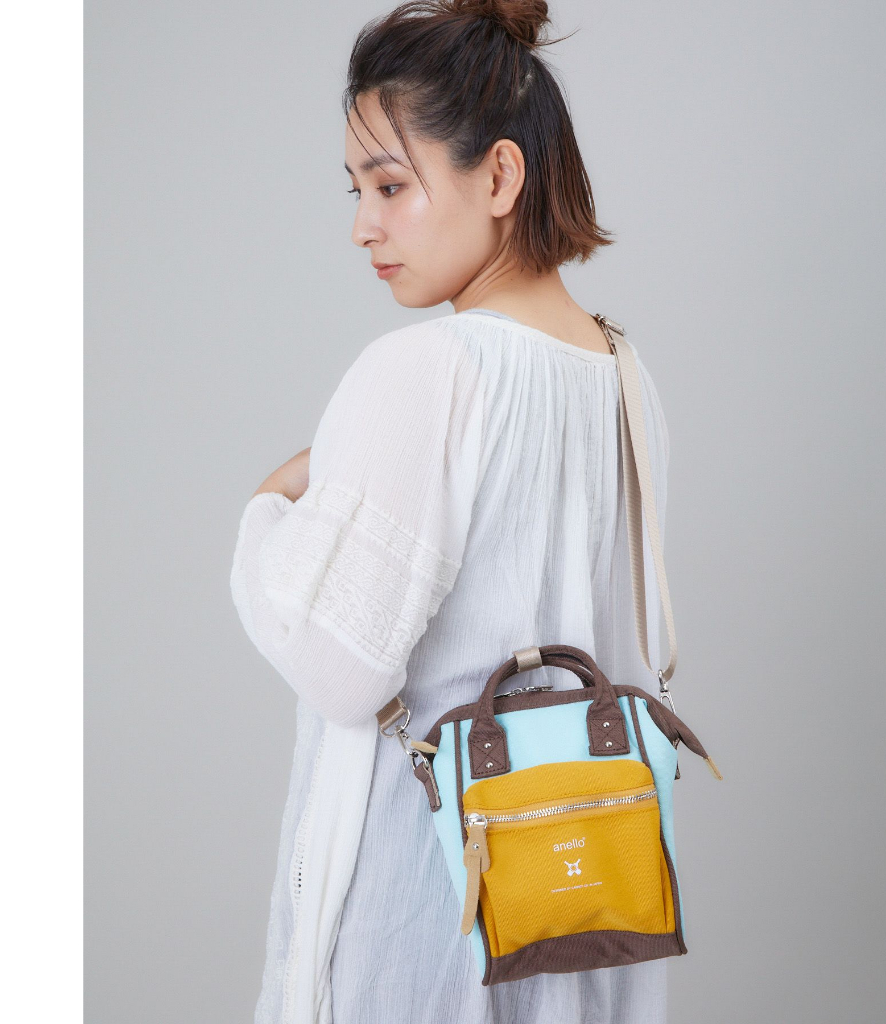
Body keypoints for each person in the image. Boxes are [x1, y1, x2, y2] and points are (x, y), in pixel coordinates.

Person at [230, 1, 674, 1020]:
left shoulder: (425, 368)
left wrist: (266, 509)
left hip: (428, 919)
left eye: (390, 185)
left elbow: (339, 669)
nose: (363, 225)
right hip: (578, 898)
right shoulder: (624, 376)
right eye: (356, 190)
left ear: (501, 177)